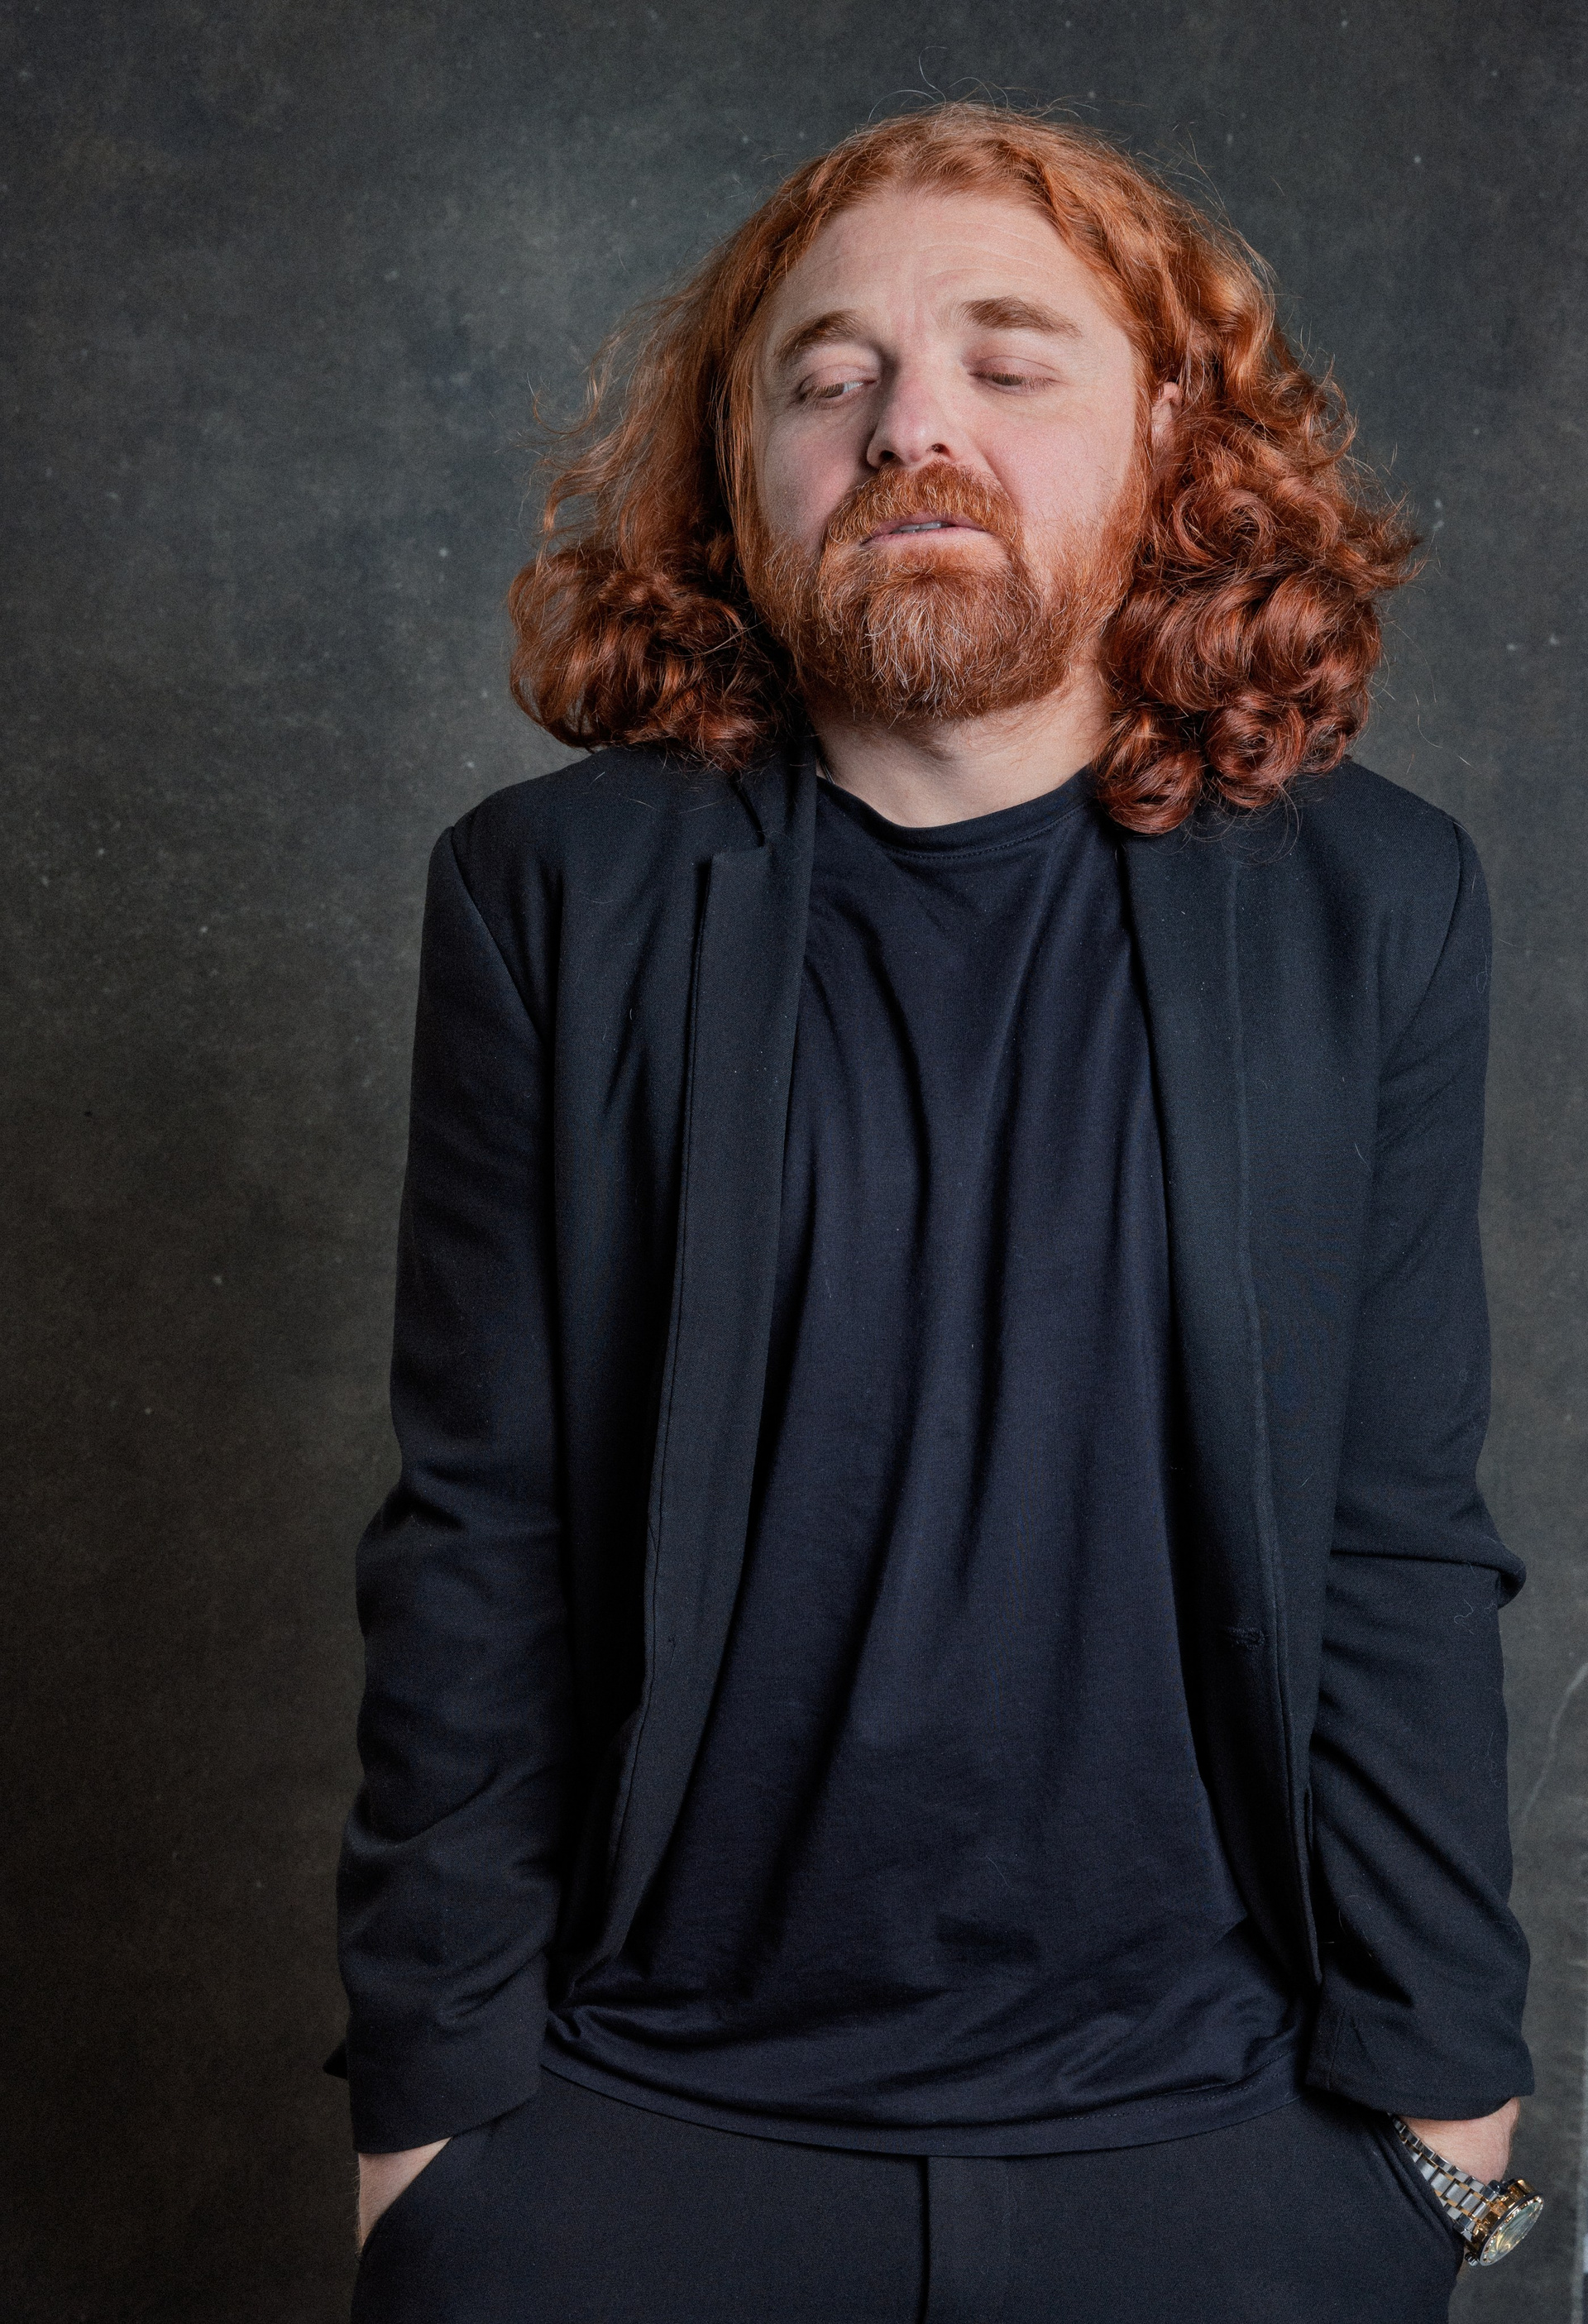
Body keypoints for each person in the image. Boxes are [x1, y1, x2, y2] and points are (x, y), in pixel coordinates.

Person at [331, 103, 1540, 2322]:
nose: (911, 429)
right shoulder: (549, 898)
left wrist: (1452, 2161)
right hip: (635, 2140)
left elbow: (1395, 1539)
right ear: (746, 466)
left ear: (1167, 433)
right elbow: (478, 1541)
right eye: (831, 377)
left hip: (1221, 2149)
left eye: (1008, 358)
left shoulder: (1380, 905)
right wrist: (427, 2149)